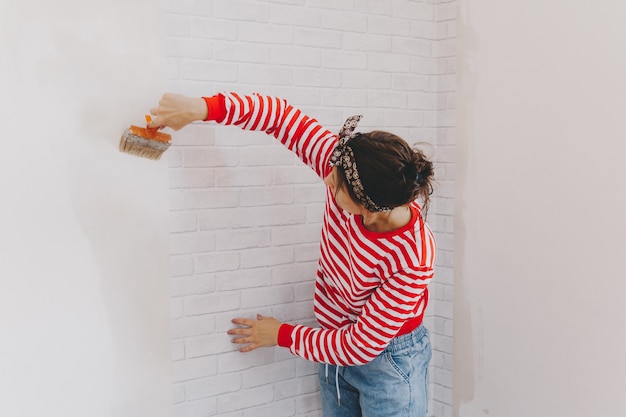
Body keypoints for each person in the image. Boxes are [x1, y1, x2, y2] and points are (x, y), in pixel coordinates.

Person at [149, 91, 436, 417]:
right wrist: (202, 108)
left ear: (367, 207)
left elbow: (361, 345)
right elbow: (280, 117)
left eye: (336, 184)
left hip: (389, 362)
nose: (327, 179)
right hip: (334, 349)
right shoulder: (348, 169)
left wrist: (280, 334)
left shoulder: (413, 255)